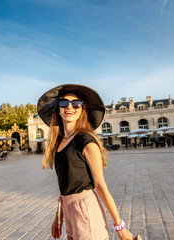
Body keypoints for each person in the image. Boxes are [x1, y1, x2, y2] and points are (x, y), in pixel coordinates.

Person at [37, 84, 135, 240]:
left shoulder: (86, 141)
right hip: (68, 210)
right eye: (63, 103)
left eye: (76, 103)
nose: (70, 107)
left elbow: (100, 185)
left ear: (82, 109)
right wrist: (58, 216)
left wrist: (119, 226)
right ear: (58, 109)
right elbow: (65, 183)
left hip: (85, 210)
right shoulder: (59, 142)